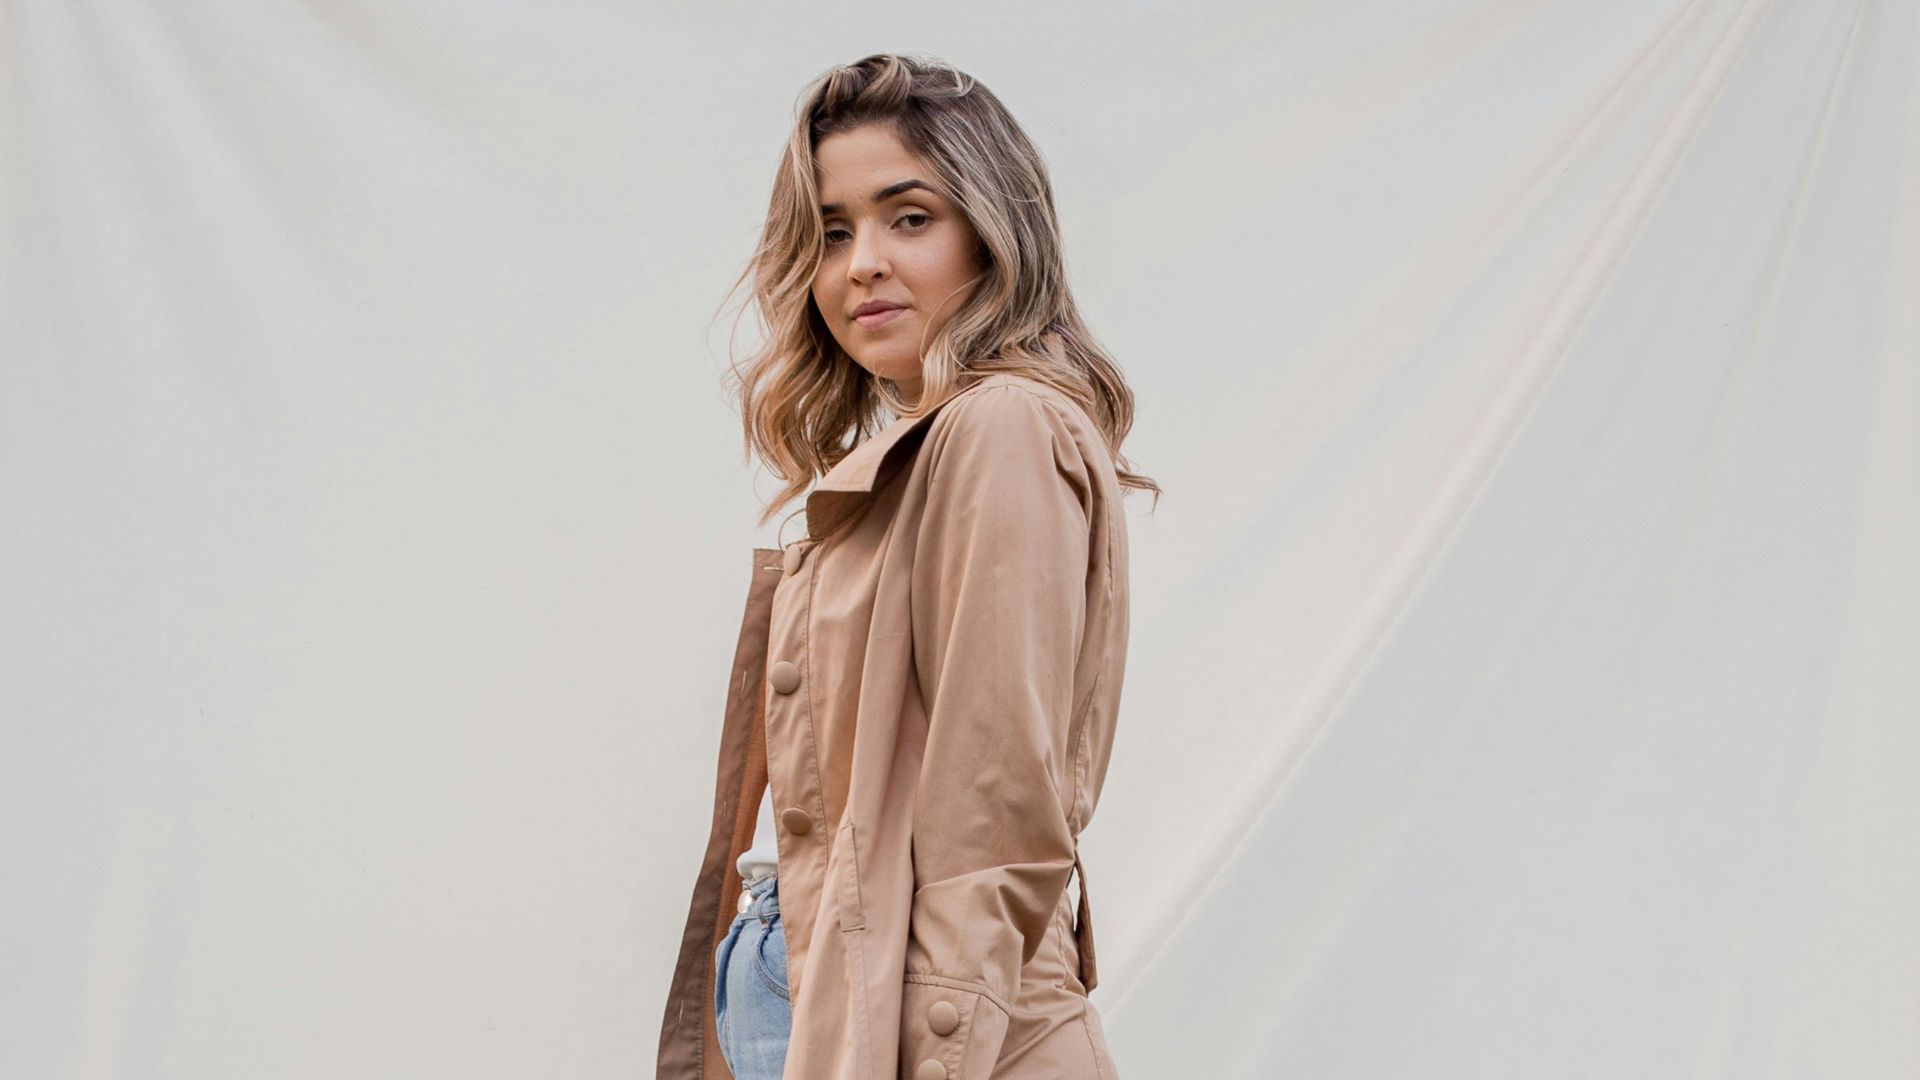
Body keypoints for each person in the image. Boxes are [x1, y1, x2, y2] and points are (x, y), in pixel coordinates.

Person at [657, 51, 1158, 1080]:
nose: (863, 262)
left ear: (992, 229)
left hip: (922, 1019)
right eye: (832, 232)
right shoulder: (918, 457)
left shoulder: (1004, 427)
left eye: (910, 217)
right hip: (831, 992)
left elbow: (994, 806)